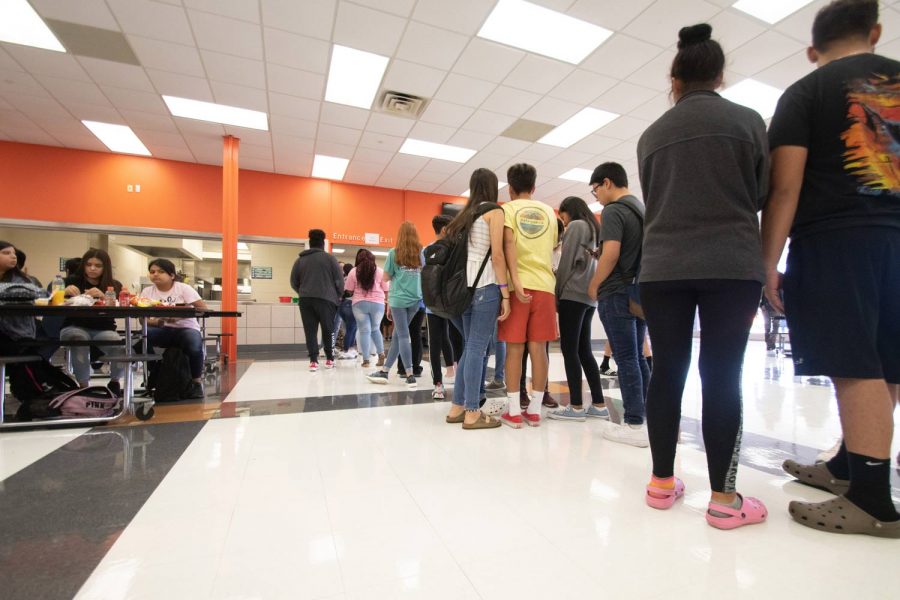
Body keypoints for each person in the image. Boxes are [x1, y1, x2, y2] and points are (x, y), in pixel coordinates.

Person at [763, 0, 900, 536]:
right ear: (875, 32)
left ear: (812, 50)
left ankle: (870, 498)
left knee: (853, 361)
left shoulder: (806, 91)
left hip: (839, 238)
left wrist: (767, 262)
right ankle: (849, 464)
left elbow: (786, 187)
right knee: (886, 358)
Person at [636, 23, 769, 529]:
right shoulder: (748, 122)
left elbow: (658, 198)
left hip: (663, 267)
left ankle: (661, 483)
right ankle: (724, 500)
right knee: (721, 374)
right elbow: (759, 193)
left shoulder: (651, 135)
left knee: (668, 369)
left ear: (675, 78)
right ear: (719, 74)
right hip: (730, 266)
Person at [586, 163, 651, 446]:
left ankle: (634, 424)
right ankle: (647, 416)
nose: (596, 195)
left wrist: (594, 284)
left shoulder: (613, 210)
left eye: (596, 189)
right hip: (639, 292)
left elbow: (612, 253)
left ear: (607, 182)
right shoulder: (640, 209)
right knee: (637, 357)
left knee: (625, 359)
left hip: (616, 293)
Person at [443, 168, 510, 429]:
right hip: (485, 287)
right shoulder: (495, 211)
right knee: (476, 349)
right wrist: (505, 293)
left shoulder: (463, 216)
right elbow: (497, 256)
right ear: (493, 188)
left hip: (463, 291)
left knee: (469, 347)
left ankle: (457, 406)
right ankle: (472, 411)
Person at [497, 163, 558, 428]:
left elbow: (508, 243)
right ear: (534, 187)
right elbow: (552, 247)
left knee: (514, 348)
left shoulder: (507, 209)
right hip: (545, 286)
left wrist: (516, 282)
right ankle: (534, 410)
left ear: (510, 188)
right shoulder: (549, 212)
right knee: (539, 348)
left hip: (516, 286)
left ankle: (513, 411)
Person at [548, 196, 609, 422]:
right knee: (584, 350)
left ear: (567, 211)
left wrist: (557, 293)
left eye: (562, 216)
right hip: (589, 297)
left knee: (569, 349)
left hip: (572, 294)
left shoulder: (575, 226)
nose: (562, 221)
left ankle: (575, 406)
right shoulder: (595, 228)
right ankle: (599, 404)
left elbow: (566, 264)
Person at [59, 249, 126, 392]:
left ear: (105, 267)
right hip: (73, 325)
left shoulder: (114, 285)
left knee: (119, 347)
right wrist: (62, 292)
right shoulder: (70, 281)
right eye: (88, 264)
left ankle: (115, 382)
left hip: (104, 328)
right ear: (83, 265)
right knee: (79, 339)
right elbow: (50, 301)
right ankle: (84, 387)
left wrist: (105, 297)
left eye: (98, 265)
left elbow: (120, 310)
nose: (92, 268)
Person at [366, 222, 423, 389]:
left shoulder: (393, 253)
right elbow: (425, 273)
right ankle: (384, 371)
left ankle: (410, 375)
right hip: (415, 300)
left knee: (404, 336)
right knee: (399, 335)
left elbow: (385, 278)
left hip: (398, 300)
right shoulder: (420, 253)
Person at [141, 258, 208, 399]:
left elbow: (202, 308)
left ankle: (196, 382)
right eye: (152, 272)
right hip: (162, 329)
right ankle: (156, 372)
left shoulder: (183, 288)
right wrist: (157, 322)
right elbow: (142, 319)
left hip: (186, 327)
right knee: (143, 340)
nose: (155, 274)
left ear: (171, 275)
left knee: (194, 345)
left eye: (161, 271)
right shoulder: (147, 292)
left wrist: (179, 317)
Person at [290, 229, 344, 372]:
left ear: (309, 242)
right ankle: (329, 359)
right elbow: (339, 280)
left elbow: (293, 282)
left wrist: (303, 292)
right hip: (326, 300)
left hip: (305, 300)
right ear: (323, 243)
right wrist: (338, 295)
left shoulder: (300, 260)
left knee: (310, 330)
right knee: (328, 329)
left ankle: (313, 361)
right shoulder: (330, 259)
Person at [423, 215, 458, 400]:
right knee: (456, 339)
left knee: (435, 344)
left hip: (432, 306)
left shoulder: (425, 251)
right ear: (444, 229)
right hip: (453, 304)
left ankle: (438, 385)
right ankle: (458, 377)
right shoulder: (454, 250)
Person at [346, 249, 389, 368]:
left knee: (364, 331)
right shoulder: (380, 271)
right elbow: (386, 290)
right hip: (377, 304)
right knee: (375, 329)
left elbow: (349, 290)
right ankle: (381, 355)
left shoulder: (353, 271)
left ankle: (366, 361)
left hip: (359, 304)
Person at [0, 241, 37, 355]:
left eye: (14, 253)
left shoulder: (23, 280)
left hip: (16, 335)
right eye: (6, 253)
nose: (13, 256)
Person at [333, 263, 358, 360]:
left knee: (350, 329)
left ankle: (350, 349)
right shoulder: (352, 279)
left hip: (342, 305)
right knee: (352, 329)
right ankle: (347, 350)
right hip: (350, 303)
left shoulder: (342, 279)